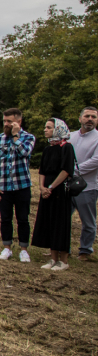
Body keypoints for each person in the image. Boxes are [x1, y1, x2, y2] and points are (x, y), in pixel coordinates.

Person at [0, 108, 35, 262]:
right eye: (5, 121)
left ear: (18, 121)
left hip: (22, 186)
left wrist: (15, 137)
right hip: (3, 187)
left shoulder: (28, 137)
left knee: (22, 218)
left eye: (9, 121)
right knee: (5, 218)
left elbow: (25, 153)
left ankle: (23, 250)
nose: (6, 124)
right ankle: (7, 247)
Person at [31, 119, 75, 271]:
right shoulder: (48, 149)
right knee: (48, 221)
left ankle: (63, 260)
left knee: (60, 223)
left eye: (49, 127)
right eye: (45, 127)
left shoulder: (67, 148)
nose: (45, 130)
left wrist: (50, 187)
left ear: (57, 129)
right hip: (47, 190)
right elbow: (42, 170)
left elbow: (66, 170)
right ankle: (53, 258)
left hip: (60, 189)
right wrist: (42, 187)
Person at [69, 106, 98, 261]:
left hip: (88, 186)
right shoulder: (70, 136)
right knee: (63, 218)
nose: (90, 119)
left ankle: (85, 251)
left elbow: (95, 161)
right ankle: (62, 248)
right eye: (87, 116)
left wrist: (72, 170)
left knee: (88, 221)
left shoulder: (97, 138)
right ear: (80, 118)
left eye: (93, 117)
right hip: (67, 185)